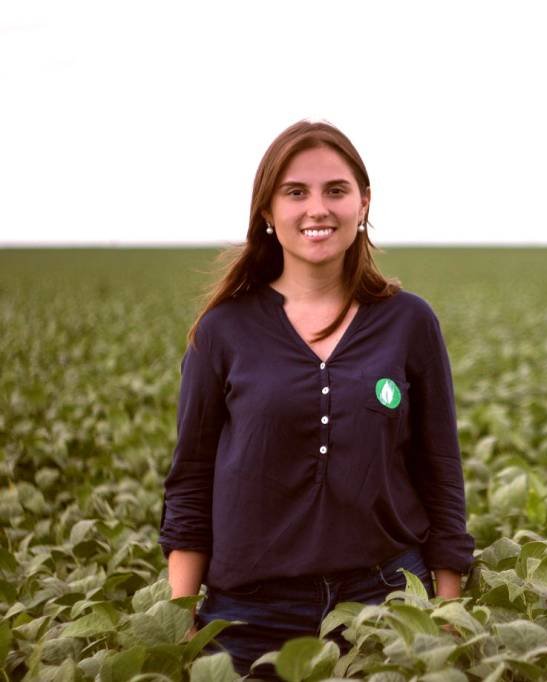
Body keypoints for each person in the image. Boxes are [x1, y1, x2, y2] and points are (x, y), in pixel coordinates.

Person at [158, 119, 475, 678]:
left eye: (336, 190)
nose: (317, 209)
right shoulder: (223, 330)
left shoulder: (409, 322)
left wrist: (446, 611)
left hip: (386, 602)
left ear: (363, 202)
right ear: (266, 211)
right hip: (249, 613)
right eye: (295, 192)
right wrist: (181, 623)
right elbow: (190, 482)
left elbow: (441, 471)